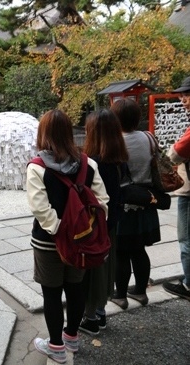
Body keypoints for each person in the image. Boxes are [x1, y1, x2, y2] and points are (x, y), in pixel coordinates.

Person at [26, 110, 108, 364]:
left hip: (48, 243)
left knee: (51, 294)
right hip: (81, 243)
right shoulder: (88, 164)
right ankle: (72, 336)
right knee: (76, 289)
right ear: (69, 132)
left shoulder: (37, 167)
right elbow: (103, 202)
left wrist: (59, 229)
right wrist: (82, 230)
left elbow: (40, 208)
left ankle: (56, 347)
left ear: (43, 134)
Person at [79, 109, 128, 335]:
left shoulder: (92, 163)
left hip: (96, 226)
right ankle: (100, 312)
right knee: (107, 268)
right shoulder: (119, 160)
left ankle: (89, 318)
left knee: (93, 271)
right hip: (113, 223)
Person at [110, 98, 160, 309]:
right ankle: (140, 291)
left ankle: (120, 295)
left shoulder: (114, 142)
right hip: (147, 201)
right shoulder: (149, 138)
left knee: (121, 252)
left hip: (124, 204)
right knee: (139, 250)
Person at [163, 76, 190, 299]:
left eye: (187, 95)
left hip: (189, 192)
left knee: (186, 239)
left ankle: (188, 284)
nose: (183, 99)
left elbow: (175, 154)